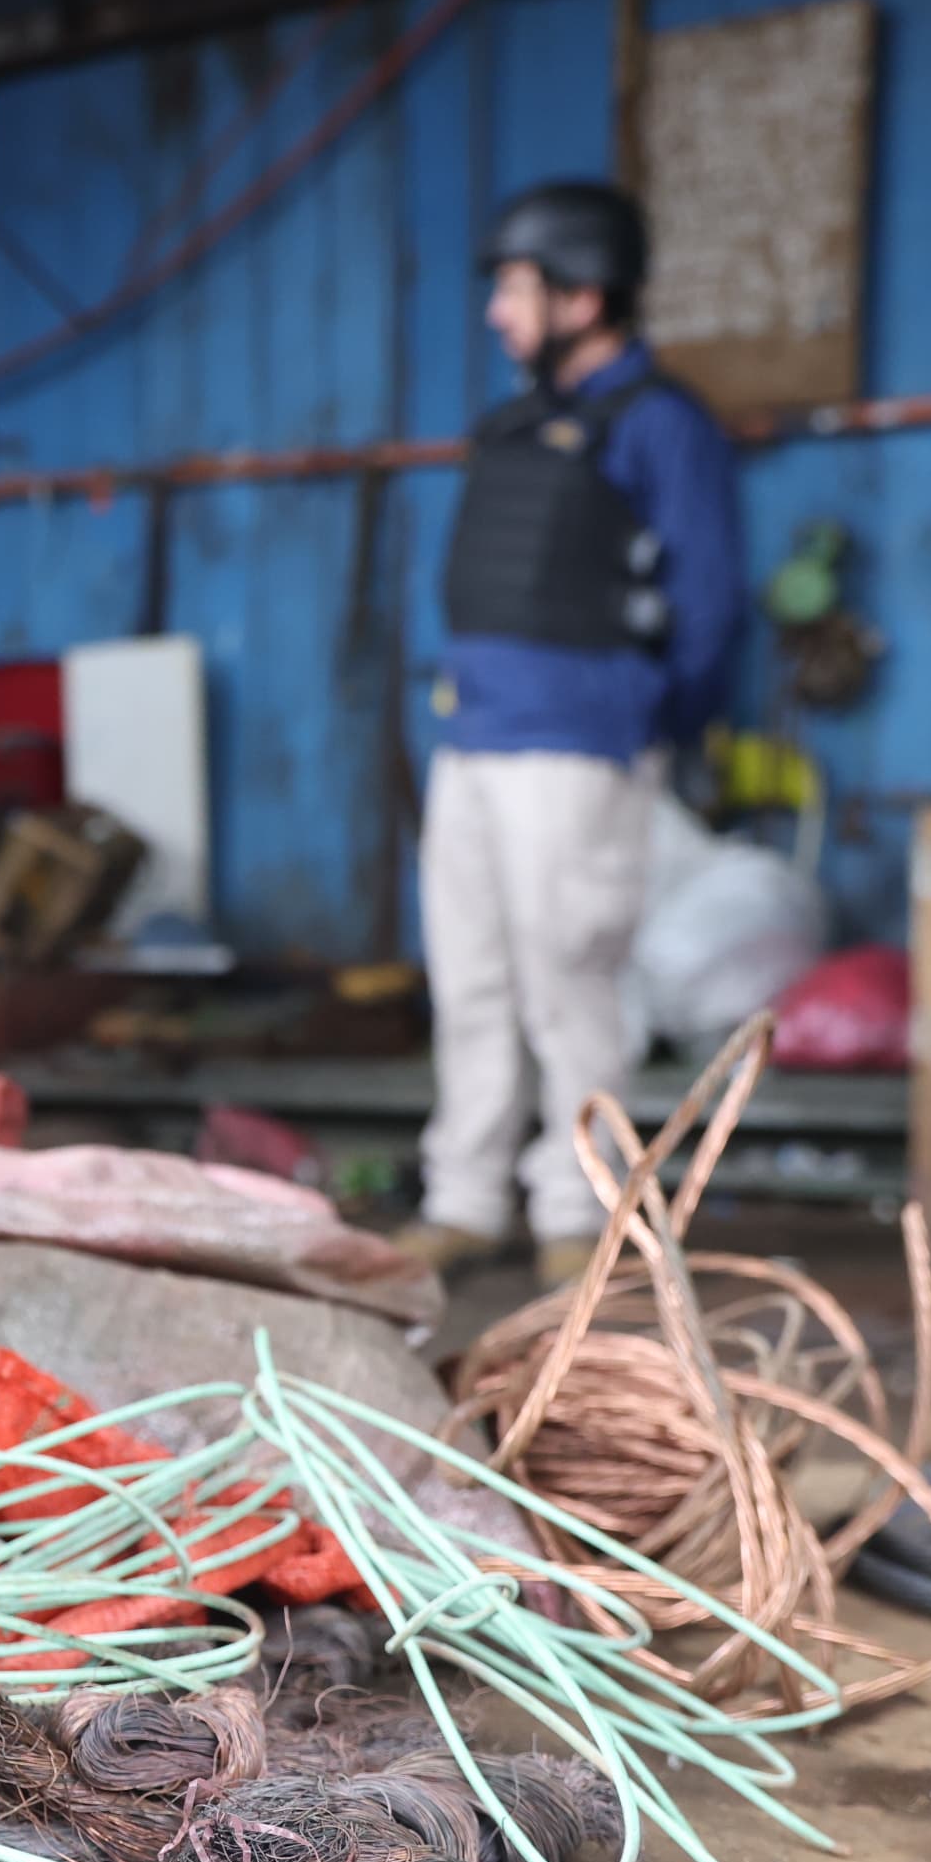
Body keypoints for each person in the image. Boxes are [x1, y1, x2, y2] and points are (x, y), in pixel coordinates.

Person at [402, 180, 746, 1287]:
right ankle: (464, 1198)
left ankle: (578, 1207)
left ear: (583, 295)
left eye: (516, 288)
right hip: (474, 739)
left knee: (569, 983)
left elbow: (709, 600)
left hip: (580, 748)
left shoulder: (660, 424)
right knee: (471, 979)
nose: (497, 312)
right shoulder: (511, 426)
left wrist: (648, 721)